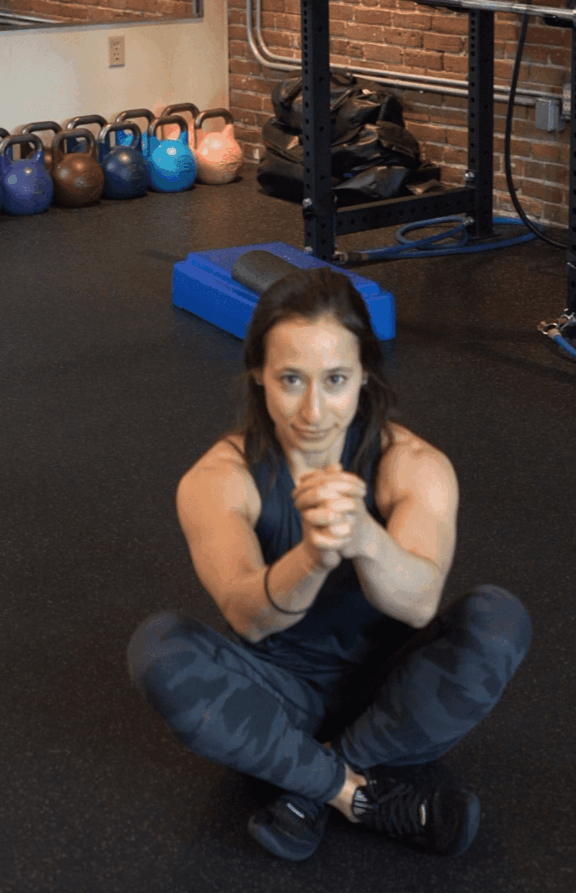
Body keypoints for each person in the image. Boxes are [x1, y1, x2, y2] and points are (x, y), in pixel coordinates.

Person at [127, 266, 532, 862]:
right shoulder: (218, 480)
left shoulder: (413, 464)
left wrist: (364, 538)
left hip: (392, 695)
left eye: (335, 379)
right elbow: (249, 618)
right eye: (291, 379)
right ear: (259, 376)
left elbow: (420, 602)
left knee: (501, 619)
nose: (314, 410)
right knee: (157, 648)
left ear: (364, 376)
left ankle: (310, 784)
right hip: (277, 695)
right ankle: (359, 794)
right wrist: (314, 555)